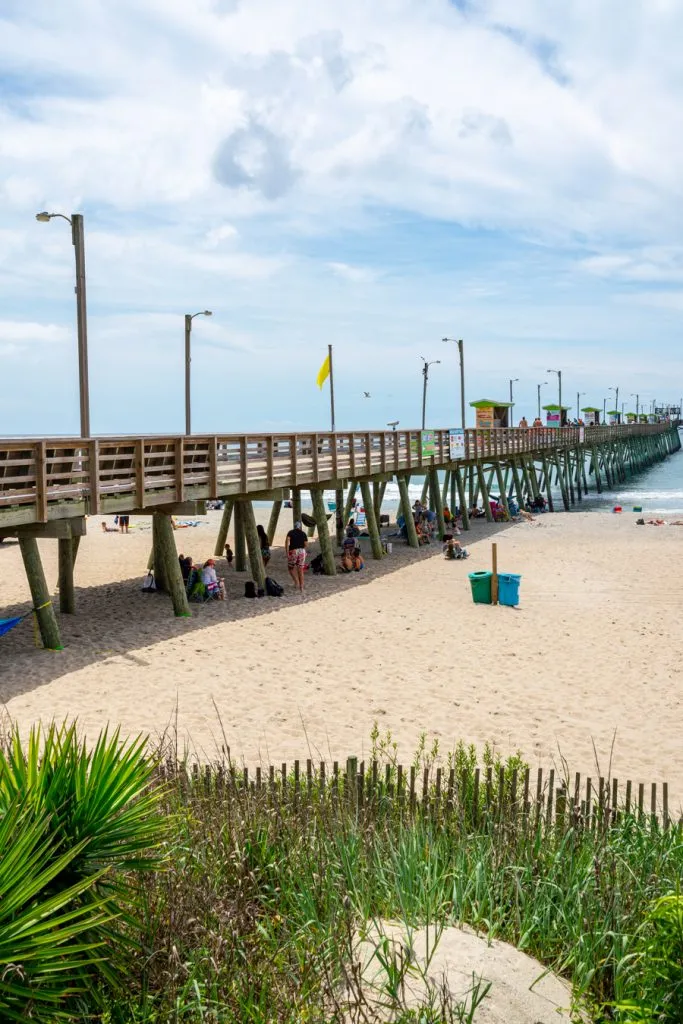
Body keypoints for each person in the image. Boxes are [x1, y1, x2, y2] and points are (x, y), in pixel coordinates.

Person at [285, 520, 308, 593]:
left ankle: (296, 582)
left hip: (293, 551)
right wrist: (303, 550)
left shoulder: (290, 532)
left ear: (294, 526)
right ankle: (301, 587)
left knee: (290, 568)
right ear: (300, 526)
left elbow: (287, 542)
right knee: (300, 569)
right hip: (302, 551)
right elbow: (306, 545)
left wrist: (287, 552)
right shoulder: (303, 533)